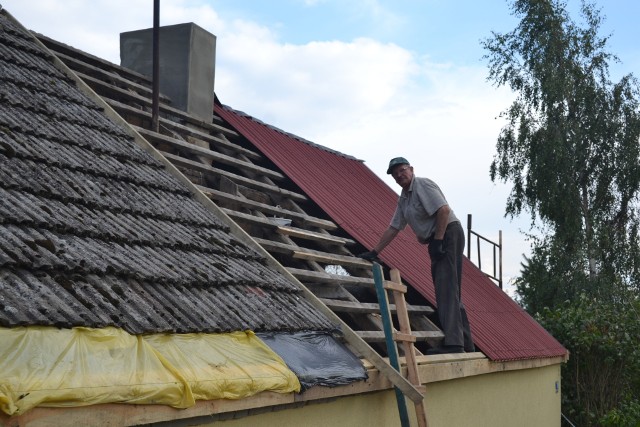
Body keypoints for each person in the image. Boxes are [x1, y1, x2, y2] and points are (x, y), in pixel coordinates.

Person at [358, 157, 474, 354]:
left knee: (446, 289)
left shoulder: (422, 185)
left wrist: (438, 241)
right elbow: (394, 227)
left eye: (402, 170)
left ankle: (455, 345)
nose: (399, 176)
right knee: (449, 289)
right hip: (440, 237)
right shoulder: (404, 198)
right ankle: (466, 344)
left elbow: (444, 210)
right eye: (395, 174)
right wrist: (375, 251)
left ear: (411, 169)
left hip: (447, 233)